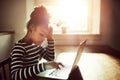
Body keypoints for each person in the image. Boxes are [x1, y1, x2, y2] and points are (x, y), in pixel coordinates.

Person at [10, 6, 63, 80]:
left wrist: (50, 38)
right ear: (31, 28)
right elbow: (15, 76)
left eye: (45, 36)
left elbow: (50, 58)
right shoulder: (19, 48)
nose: (43, 39)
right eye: (41, 34)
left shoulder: (36, 46)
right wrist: (44, 66)